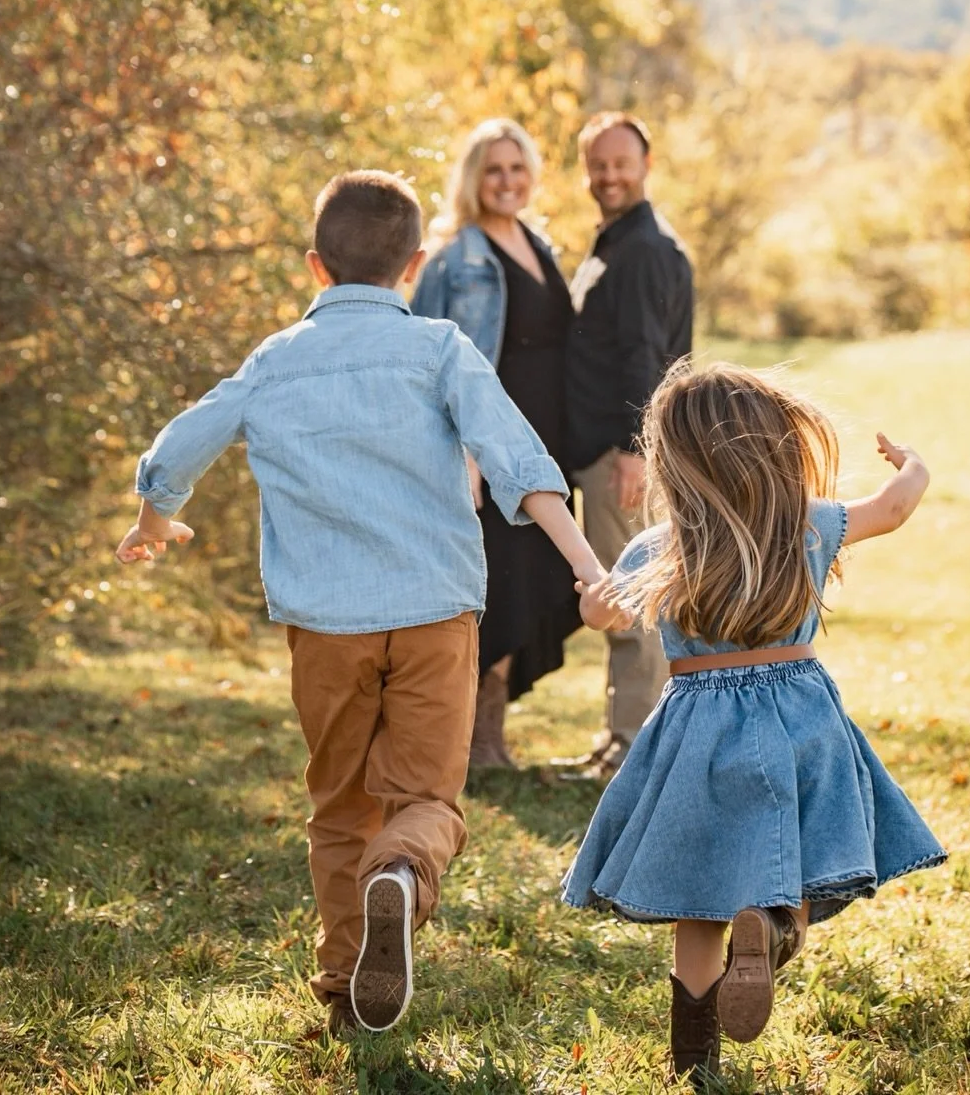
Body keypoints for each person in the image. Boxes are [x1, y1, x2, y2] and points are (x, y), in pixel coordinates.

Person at [114, 170, 620, 1036]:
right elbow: (519, 460)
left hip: (324, 626)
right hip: (434, 613)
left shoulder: (275, 361)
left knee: (340, 804)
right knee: (428, 800)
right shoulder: (440, 348)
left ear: (316, 266)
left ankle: (349, 986)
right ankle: (404, 869)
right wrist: (587, 564)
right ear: (415, 265)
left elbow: (185, 439)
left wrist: (155, 515)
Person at [562, 362, 947, 1088]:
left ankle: (694, 1063)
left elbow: (604, 613)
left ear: (674, 461)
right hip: (799, 713)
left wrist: (590, 600)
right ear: (774, 448)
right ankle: (771, 931)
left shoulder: (659, 547)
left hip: (695, 729)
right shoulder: (812, 523)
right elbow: (894, 508)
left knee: (696, 904)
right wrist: (914, 464)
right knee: (794, 860)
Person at [412, 119, 581, 771]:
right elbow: (428, 358)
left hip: (540, 449)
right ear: (472, 177)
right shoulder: (457, 256)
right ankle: (469, 744)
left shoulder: (539, 244)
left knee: (529, 585)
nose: (507, 181)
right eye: (493, 169)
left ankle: (489, 737)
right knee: (493, 591)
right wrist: (465, 452)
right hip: (490, 452)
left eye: (517, 168)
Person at [566, 110, 693, 777]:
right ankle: (623, 738)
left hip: (623, 456)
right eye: (598, 164)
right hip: (609, 451)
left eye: (621, 163)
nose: (609, 175)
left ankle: (636, 747)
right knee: (623, 596)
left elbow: (647, 354)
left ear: (645, 167)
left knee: (632, 601)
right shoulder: (614, 240)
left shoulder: (643, 249)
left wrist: (634, 449)